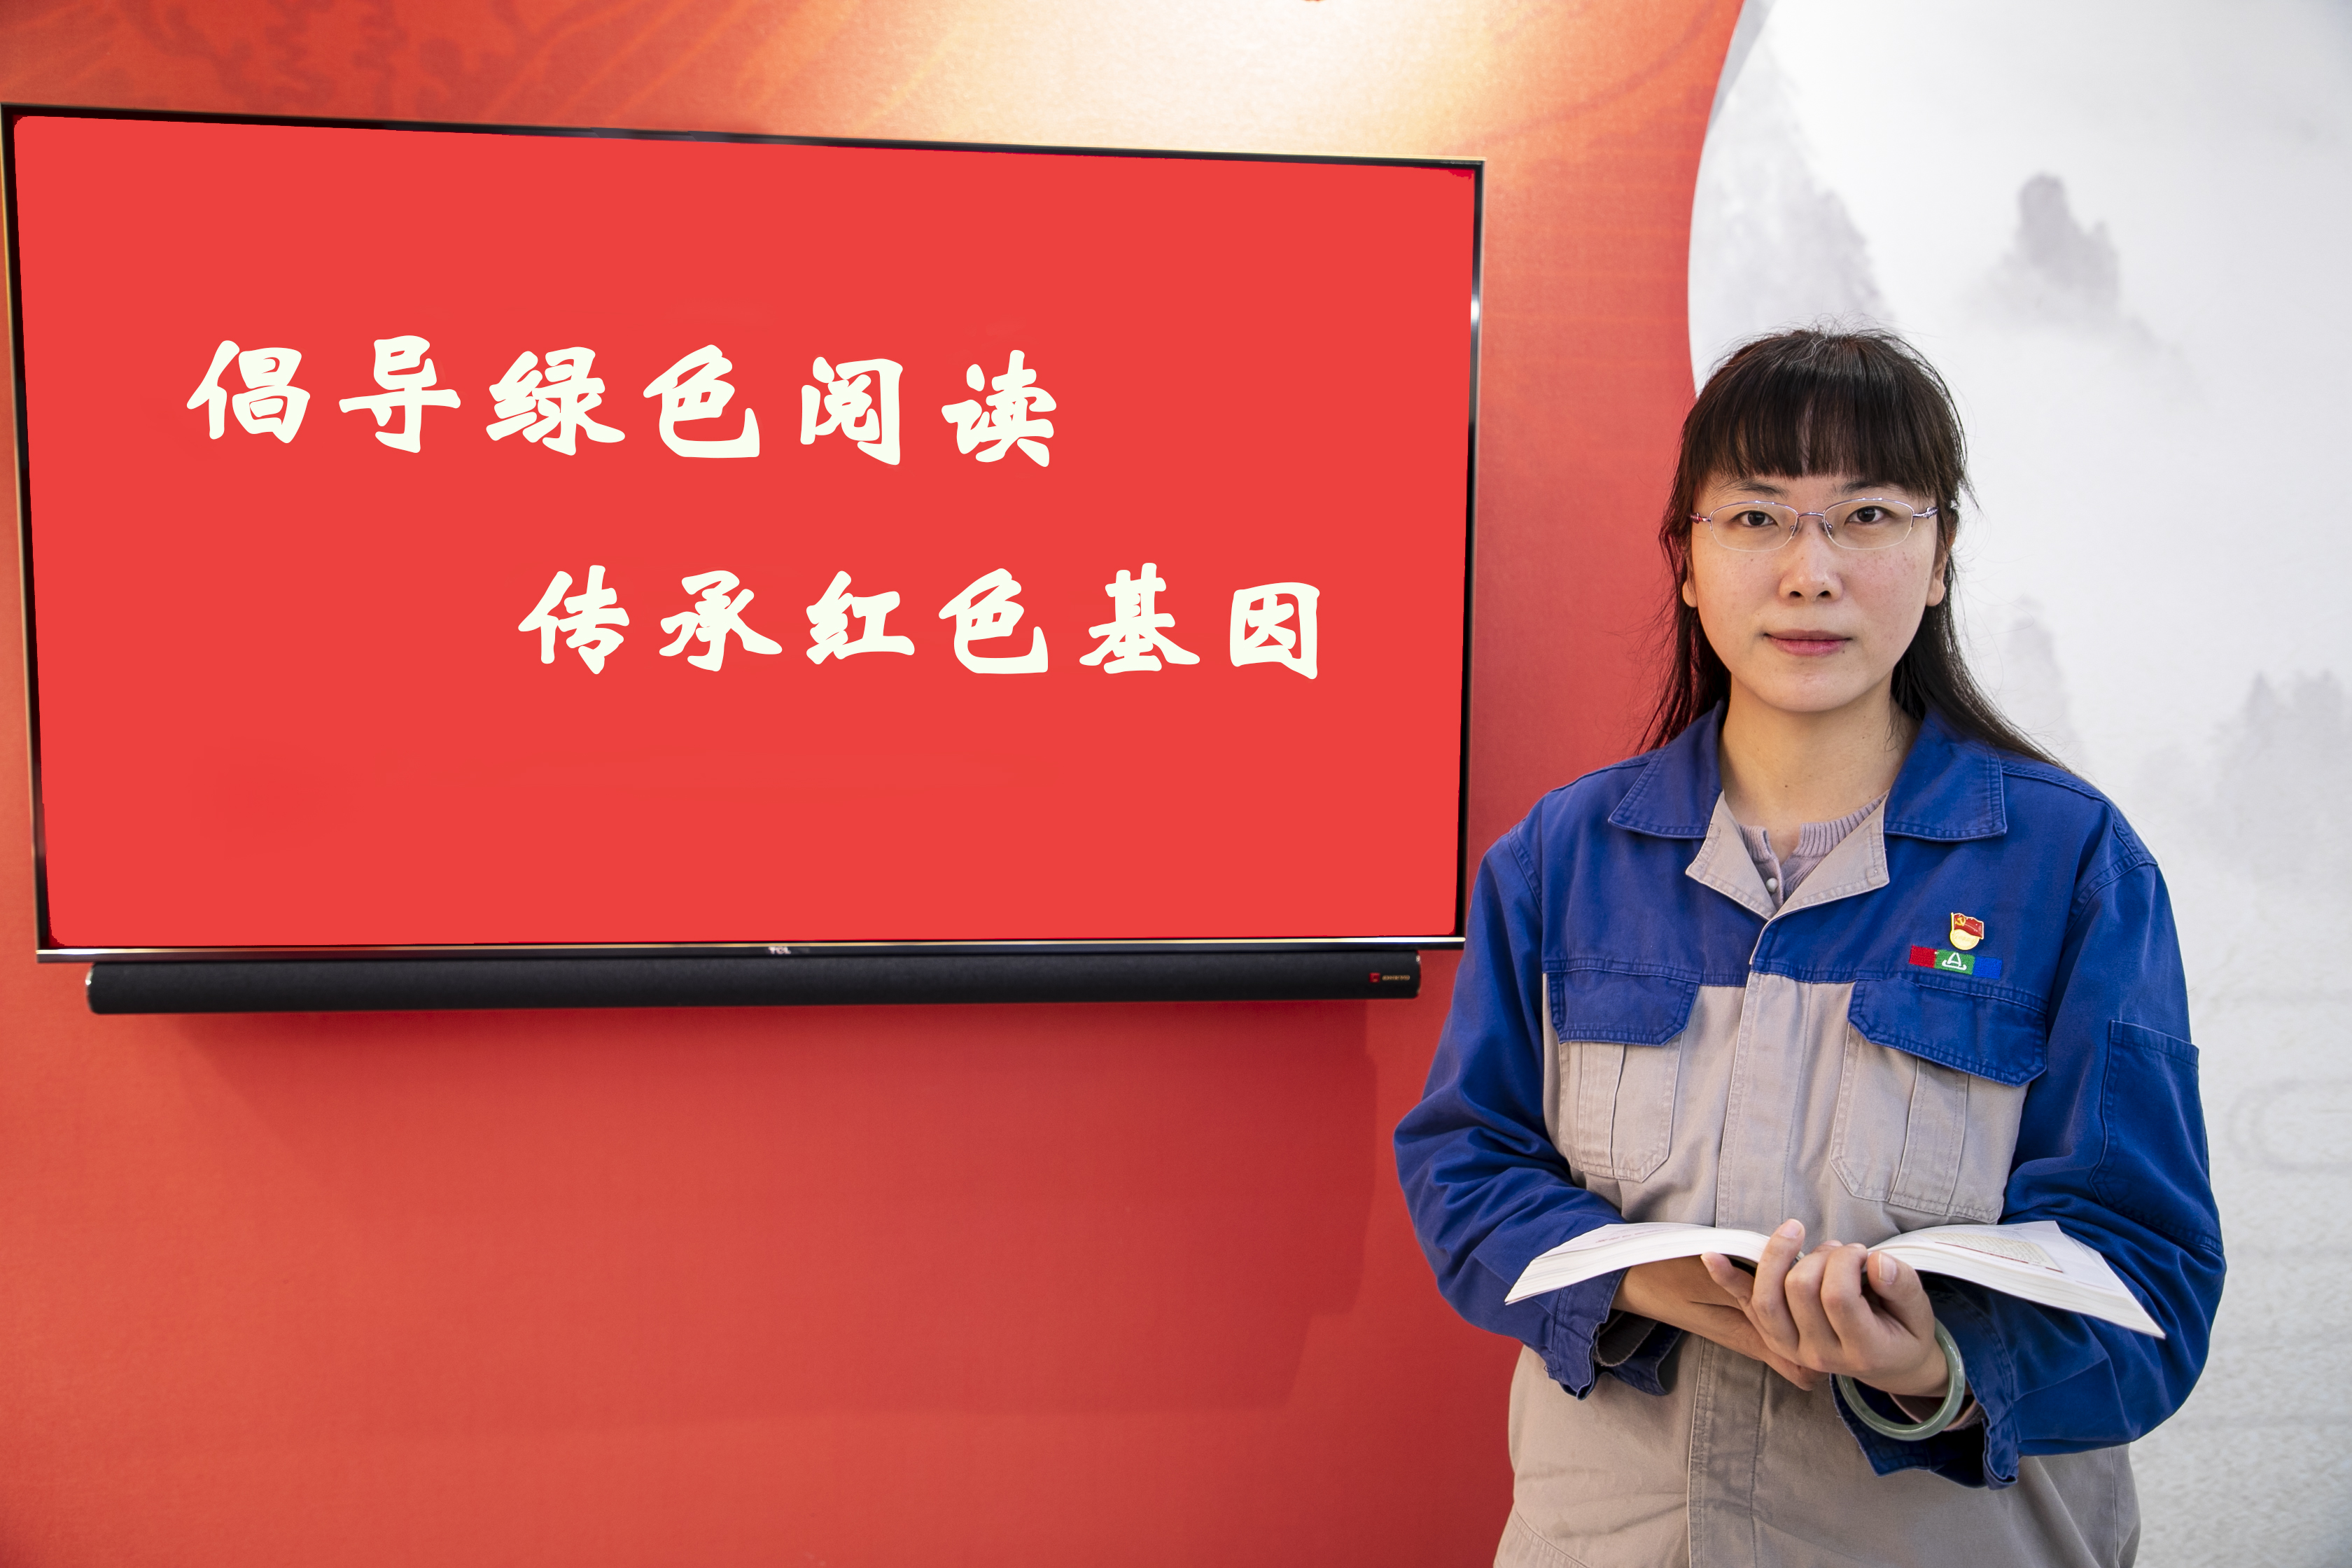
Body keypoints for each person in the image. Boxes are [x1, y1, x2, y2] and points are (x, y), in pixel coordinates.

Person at [1394, 328, 2222, 1568]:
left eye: (1868, 517)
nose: (1810, 572)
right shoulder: (1562, 858)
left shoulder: (2071, 867)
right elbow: (1465, 1167)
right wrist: (1644, 1284)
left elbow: (2149, 1275)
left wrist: (1934, 1366)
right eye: (1756, 519)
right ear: (1686, 561)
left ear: (1940, 557)